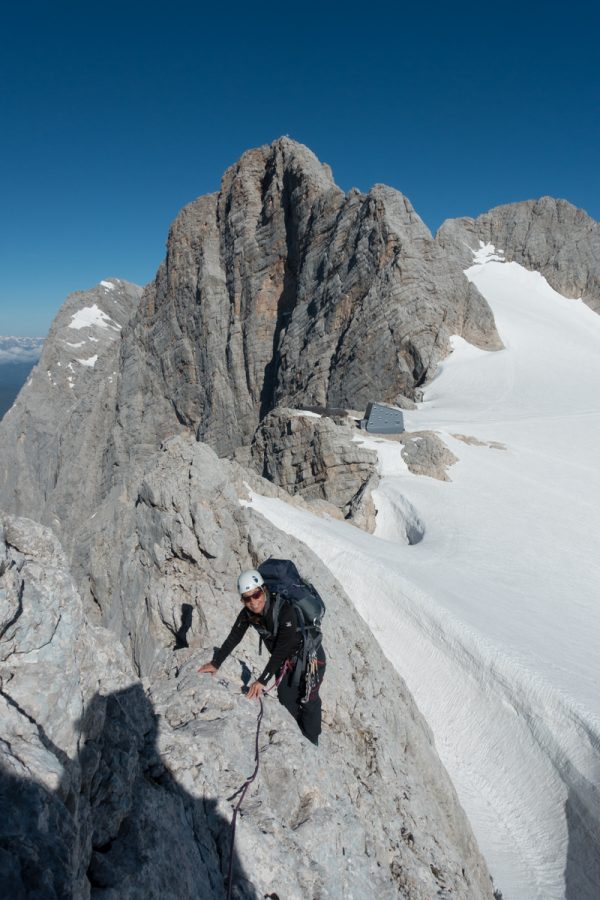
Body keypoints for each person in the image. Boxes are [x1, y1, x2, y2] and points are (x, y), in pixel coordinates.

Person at [198, 568, 326, 745]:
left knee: (309, 700)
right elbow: (234, 637)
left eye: (256, 595)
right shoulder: (248, 614)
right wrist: (216, 662)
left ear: (263, 590)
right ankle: (298, 740)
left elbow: (282, 647)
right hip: (286, 663)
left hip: (311, 659)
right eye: (246, 598)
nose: (253, 602)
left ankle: (312, 743)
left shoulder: (284, 610)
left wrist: (262, 680)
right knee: (287, 701)